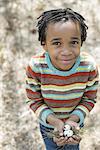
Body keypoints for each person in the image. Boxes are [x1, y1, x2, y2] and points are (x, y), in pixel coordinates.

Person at [25, 8, 99, 150]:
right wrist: (55, 122)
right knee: (53, 147)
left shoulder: (88, 66)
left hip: (75, 122)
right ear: (44, 44)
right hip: (48, 123)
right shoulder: (36, 67)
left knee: (72, 148)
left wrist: (73, 120)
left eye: (73, 42)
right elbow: (34, 100)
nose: (66, 51)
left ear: (81, 42)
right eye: (57, 43)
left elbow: (89, 99)